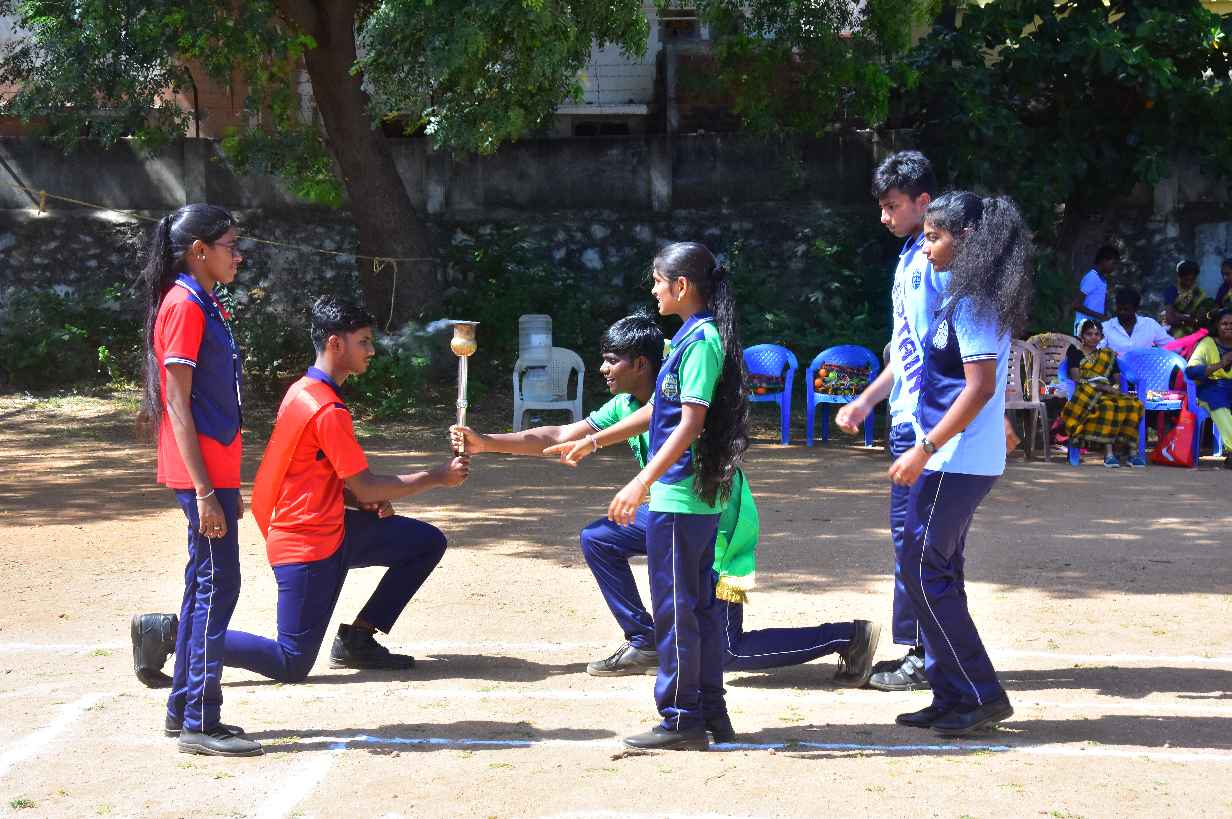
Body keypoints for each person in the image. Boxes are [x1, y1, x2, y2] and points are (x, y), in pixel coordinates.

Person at [450, 314, 879, 713]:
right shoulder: (624, 406)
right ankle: (644, 639)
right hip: (670, 516)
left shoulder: (676, 399)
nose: (603, 369)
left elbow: (657, 416)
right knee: (600, 538)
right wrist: (486, 442)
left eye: (611, 360)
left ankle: (849, 635)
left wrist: (604, 451)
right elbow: (560, 433)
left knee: (727, 651)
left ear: (641, 364)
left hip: (718, 526)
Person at [135, 297, 468, 699]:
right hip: (307, 544)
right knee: (291, 662)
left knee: (425, 543)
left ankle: (359, 639)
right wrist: (438, 476)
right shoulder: (326, 408)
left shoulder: (303, 391)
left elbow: (322, 476)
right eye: (363, 341)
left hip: (332, 527)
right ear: (335, 344)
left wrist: (355, 499)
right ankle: (173, 633)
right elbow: (367, 485)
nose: (371, 351)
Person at [549, 242, 748, 751]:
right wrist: (595, 440)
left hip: (679, 498)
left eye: (659, 280)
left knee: (678, 612)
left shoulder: (700, 341)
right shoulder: (691, 337)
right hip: (686, 498)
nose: (654, 289)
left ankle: (682, 719)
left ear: (681, 286)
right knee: (698, 610)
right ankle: (711, 712)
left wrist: (641, 482)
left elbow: (689, 423)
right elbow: (661, 411)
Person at [888, 191, 1033, 736]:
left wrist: (924, 448)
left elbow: (979, 387)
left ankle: (979, 693)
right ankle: (951, 692)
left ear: (967, 239)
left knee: (923, 569)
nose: (925, 248)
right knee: (934, 570)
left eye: (934, 237)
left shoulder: (974, 303)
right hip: (955, 455)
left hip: (956, 457)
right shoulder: (962, 296)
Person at [129, 204, 262, 757]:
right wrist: (206, 492)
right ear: (199, 251)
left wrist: (220, 485)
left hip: (213, 470)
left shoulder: (203, 301)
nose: (239, 255)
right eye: (231, 245)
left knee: (205, 582)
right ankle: (201, 722)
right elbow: (177, 403)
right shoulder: (184, 304)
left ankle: (183, 708)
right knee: (216, 586)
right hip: (201, 474)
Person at [836, 149, 945, 694]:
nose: (883, 216)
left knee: (920, 543)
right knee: (910, 541)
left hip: (927, 425)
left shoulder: (937, 262)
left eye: (892, 206)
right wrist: (867, 401)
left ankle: (928, 656)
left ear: (924, 201)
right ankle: (925, 651)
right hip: (907, 420)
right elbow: (906, 353)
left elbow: (943, 353)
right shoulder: (908, 258)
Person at [1059, 320, 1145, 467]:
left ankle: (1132, 454)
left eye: (1097, 334)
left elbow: (1116, 378)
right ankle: (1109, 455)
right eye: (1089, 334)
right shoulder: (1074, 351)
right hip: (1086, 390)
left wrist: (1114, 387)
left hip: (1108, 390)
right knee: (1107, 406)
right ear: (1082, 336)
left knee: (1133, 404)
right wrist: (1100, 387)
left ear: (1101, 336)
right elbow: (1075, 377)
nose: (1093, 337)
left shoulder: (1108, 354)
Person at [1185, 309, 1232, 469]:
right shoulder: (1207, 343)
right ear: (1217, 326)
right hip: (1211, 387)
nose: (1229, 327)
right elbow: (1191, 371)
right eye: (1224, 323)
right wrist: (1220, 364)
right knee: (1219, 405)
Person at [1102, 287, 1172, 356]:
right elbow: (1097, 351)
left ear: (1136, 308)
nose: (1122, 312)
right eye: (1119, 309)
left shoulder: (1150, 324)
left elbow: (1171, 346)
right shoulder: (1105, 327)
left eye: (1126, 309)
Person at [1072, 246, 1118, 334]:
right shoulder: (1092, 277)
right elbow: (1076, 305)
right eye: (1113, 263)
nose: (1114, 267)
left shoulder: (1103, 281)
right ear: (1104, 260)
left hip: (1094, 329)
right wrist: (1099, 316)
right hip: (1083, 328)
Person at [1163, 261, 1213, 339]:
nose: (1189, 283)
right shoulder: (1172, 290)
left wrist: (1178, 315)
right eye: (1186, 280)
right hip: (1169, 327)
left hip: (1191, 330)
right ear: (1179, 277)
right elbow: (1170, 318)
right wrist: (1188, 319)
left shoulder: (1199, 294)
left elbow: (1198, 320)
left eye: (1192, 280)